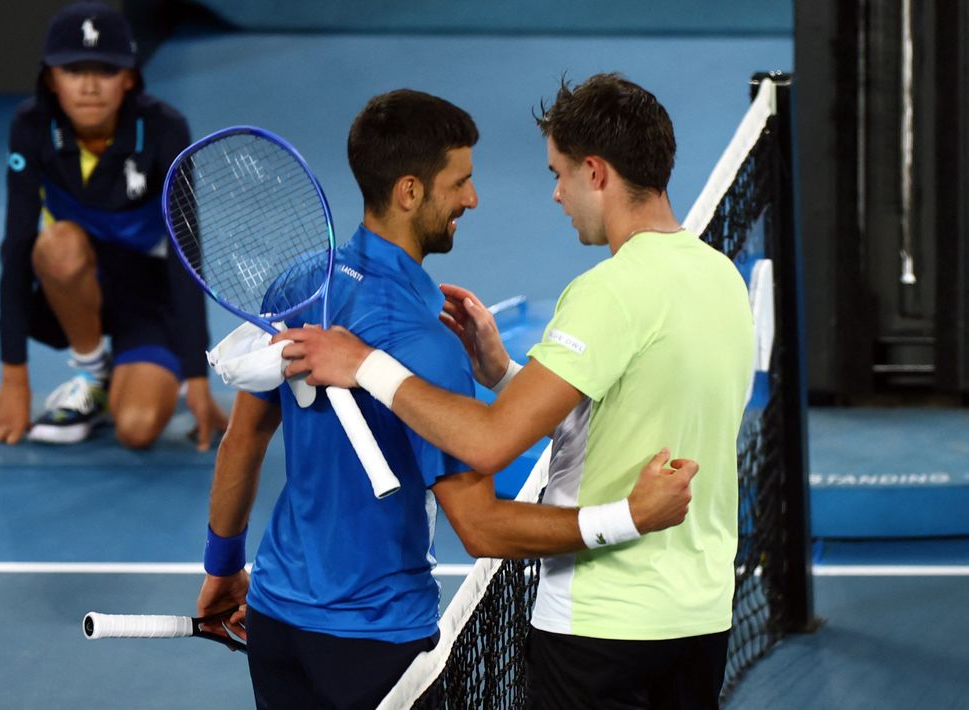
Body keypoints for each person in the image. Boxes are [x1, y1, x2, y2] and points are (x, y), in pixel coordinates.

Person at [196, 88, 698, 710]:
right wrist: (629, 519)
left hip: (277, 625)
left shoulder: (298, 286)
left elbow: (243, 437)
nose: (473, 199)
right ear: (410, 191)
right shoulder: (425, 342)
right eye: (459, 182)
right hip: (376, 645)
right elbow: (481, 526)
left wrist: (222, 566)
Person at [0, 2, 227, 450]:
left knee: (137, 430)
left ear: (129, 78)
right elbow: (17, 246)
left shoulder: (165, 129)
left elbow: (185, 252)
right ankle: (94, 371)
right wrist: (14, 376)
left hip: (150, 293)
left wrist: (199, 375)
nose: (88, 86)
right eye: (73, 70)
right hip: (77, 286)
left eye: (105, 70)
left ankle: (148, 375)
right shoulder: (31, 126)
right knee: (55, 245)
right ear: (50, 79)